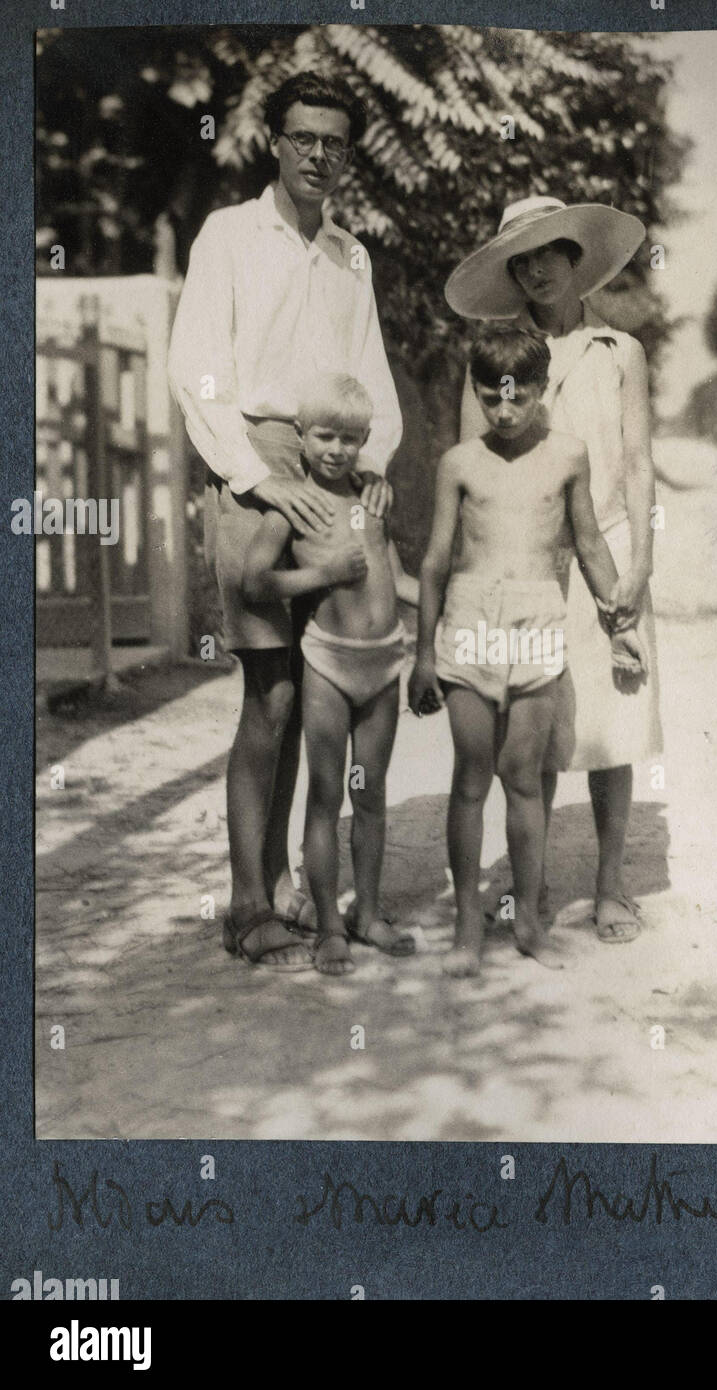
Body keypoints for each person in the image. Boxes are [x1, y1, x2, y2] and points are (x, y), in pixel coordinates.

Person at [168, 72, 402, 970]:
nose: (318, 154)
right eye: (302, 137)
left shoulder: (351, 258)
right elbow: (198, 374)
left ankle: (294, 892)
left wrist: (370, 467)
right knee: (266, 695)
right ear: (274, 141)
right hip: (256, 471)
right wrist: (262, 480)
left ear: (349, 153)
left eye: (334, 142)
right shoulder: (230, 235)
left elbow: (373, 387)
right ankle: (245, 902)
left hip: (333, 479)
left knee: (316, 699)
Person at [445, 196, 663, 945]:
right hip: (524, 556)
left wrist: (639, 562)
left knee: (612, 722)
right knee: (523, 727)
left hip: (605, 543)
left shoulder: (617, 352)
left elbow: (636, 463)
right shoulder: (496, 358)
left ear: (578, 262)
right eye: (520, 260)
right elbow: (469, 465)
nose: (535, 270)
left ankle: (609, 885)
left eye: (549, 253)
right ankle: (526, 887)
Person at [409, 325, 643, 978]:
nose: (504, 412)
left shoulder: (567, 455)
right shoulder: (460, 464)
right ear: (478, 393)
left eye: (518, 397)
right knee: (468, 778)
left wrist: (617, 618)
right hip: (468, 631)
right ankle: (464, 926)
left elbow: (590, 542)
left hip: (538, 629)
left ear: (542, 390)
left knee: (523, 779)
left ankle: (529, 923)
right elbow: (434, 562)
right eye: (490, 399)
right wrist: (424, 655)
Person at [242, 375, 418, 976]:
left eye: (349, 439)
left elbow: (398, 580)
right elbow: (256, 582)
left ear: (366, 440)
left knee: (369, 795)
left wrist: (454, 603)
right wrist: (323, 576)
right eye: (324, 436)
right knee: (326, 795)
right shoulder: (294, 504)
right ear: (301, 435)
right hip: (328, 665)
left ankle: (367, 913)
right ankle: (329, 925)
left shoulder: (372, 503)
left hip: (384, 662)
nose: (337, 450)